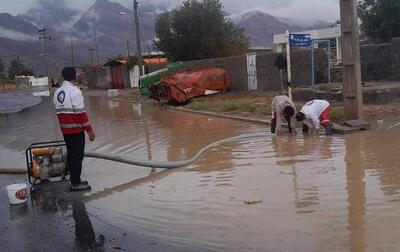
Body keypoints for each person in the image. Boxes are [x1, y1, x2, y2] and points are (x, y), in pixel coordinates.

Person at [53, 67, 95, 191]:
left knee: (72, 155)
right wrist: (90, 131)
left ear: (63, 76)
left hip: (65, 131)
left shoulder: (58, 92)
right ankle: (75, 183)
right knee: (77, 157)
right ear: (75, 77)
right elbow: (81, 113)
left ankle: (74, 179)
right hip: (76, 130)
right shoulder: (74, 91)